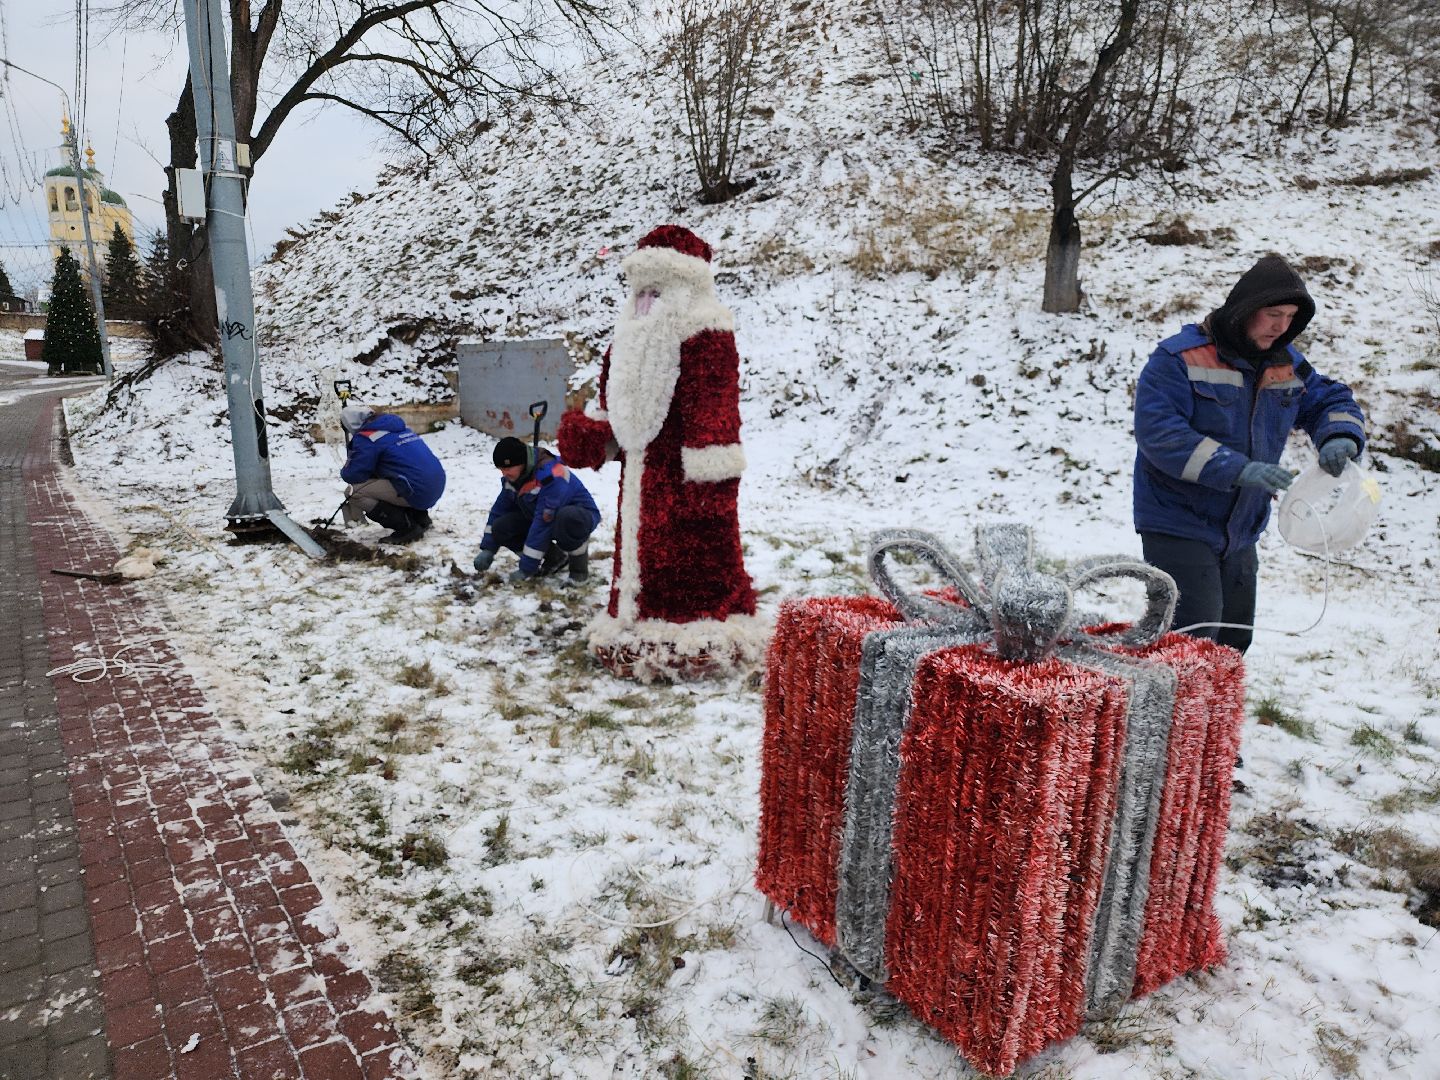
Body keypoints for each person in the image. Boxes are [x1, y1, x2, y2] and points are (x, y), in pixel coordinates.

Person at [557, 224, 766, 680]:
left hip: (686, 477)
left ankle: (695, 632)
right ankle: (634, 621)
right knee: (640, 554)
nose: (647, 297)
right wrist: (593, 433)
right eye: (642, 286)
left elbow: (714, 402)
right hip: (640, 472)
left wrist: (712, 474)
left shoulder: (705, 326)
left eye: (658, 285)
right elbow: (617, 402)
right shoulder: (628, 333)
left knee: (689, 560)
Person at [1132, 254, 1366, 653]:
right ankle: (1167, 715)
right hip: (1177, 521)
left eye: (1290, 315)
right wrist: (1237, 468)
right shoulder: (1178, 359)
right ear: (1244, 311)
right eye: (1272, 313)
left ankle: (1217, 716)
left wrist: (1339, 434)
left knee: (1234, 639)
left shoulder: (1285, 363)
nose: (1281, 326)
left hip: (1240, 529)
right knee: (1192, 640)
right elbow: (1160, 434)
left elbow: (1329, 399)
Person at [473, 435, 600, 586]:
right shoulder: (514, 479)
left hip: (579, 516)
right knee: (502, 527)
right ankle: (556, 558)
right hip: (542, 517)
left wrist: (526, 569)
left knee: (567, 519)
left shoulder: (552, 476)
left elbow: (542, 523)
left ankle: (579, 573)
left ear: (521, 463)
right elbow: (499, 510)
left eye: (507, 468)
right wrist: (488, 549)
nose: (504, 474)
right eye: (501, 469)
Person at [339, 403, 446, 544]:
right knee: (395, 476)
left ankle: (406, 527)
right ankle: (420, 517)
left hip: (416, 490)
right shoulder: (398, 428)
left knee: (354, 492)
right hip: (434, 485)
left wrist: (350, 462)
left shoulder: (367, 437)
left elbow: (353, 475)